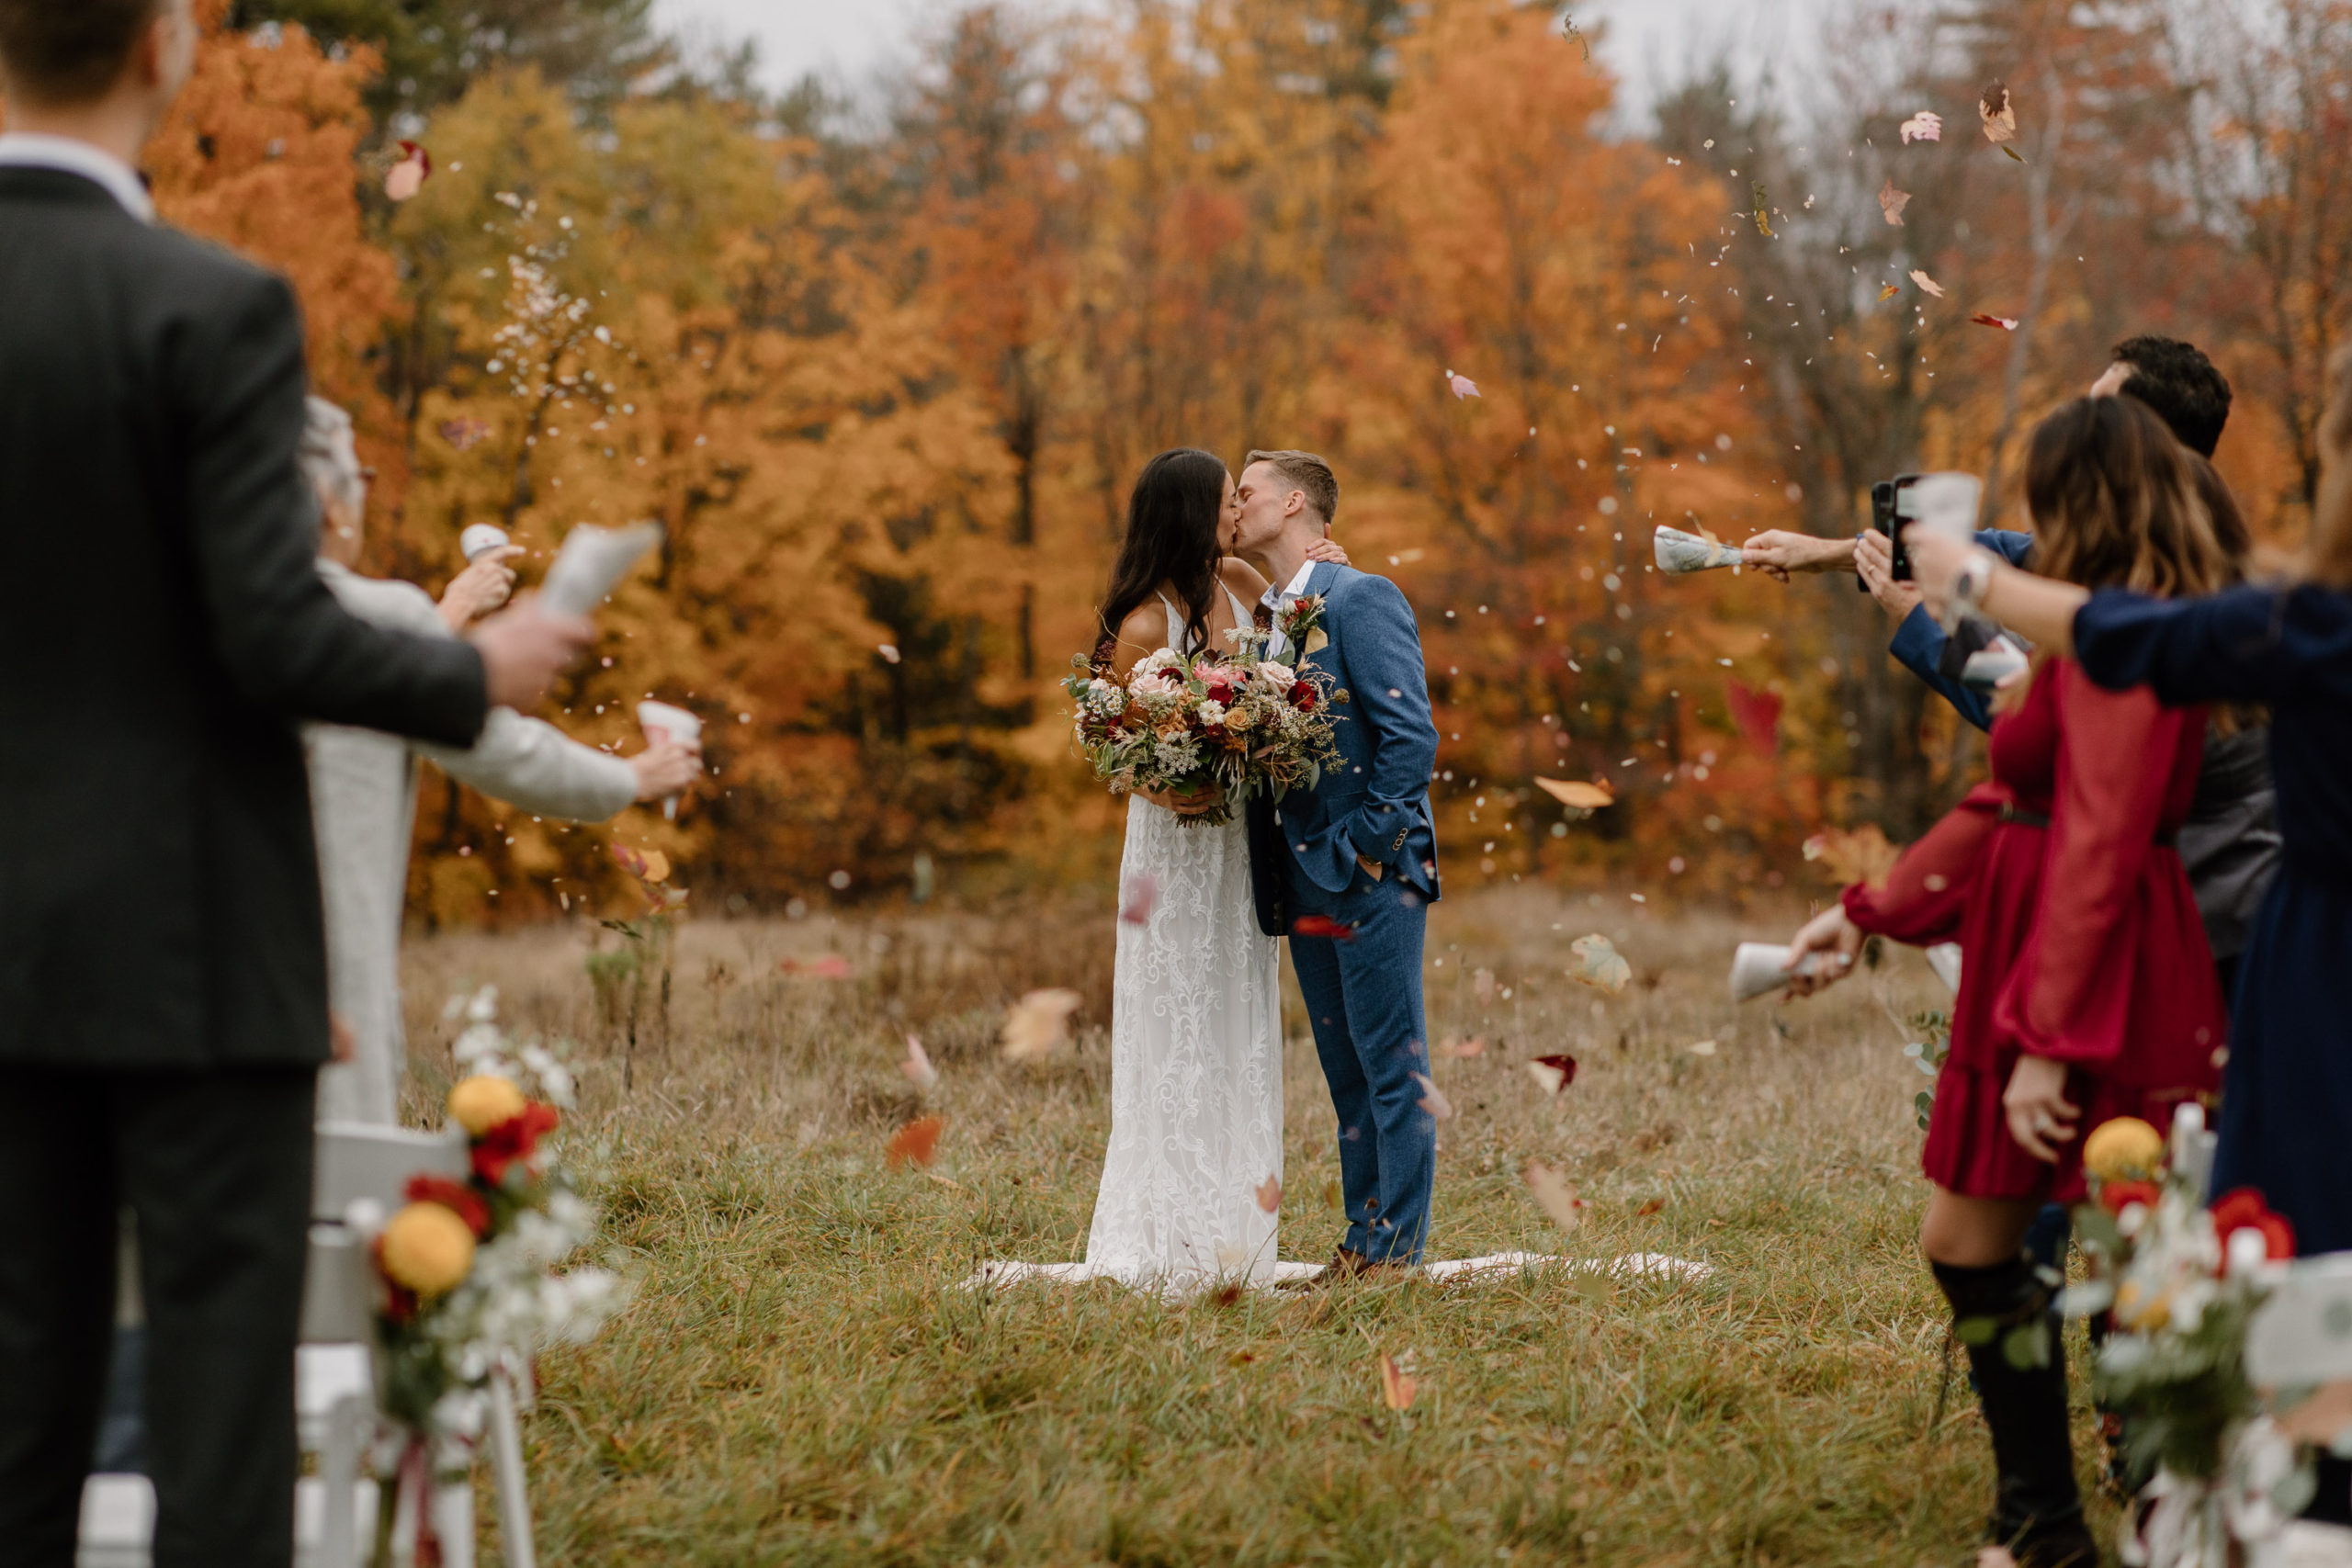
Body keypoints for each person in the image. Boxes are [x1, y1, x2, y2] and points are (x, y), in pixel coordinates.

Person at [0, 4, 590, 1563]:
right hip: (195, 959)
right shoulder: (212, 308)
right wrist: (478, 668)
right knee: (214, 1436)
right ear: (161, 53)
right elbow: (269, 628)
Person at [1782, 395, 2233, 1568]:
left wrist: (2051, 1036)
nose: (2026, 517)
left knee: (2139, 1258)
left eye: (2043, 494)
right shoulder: (2084, 641)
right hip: (2026, 957)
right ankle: (2041, 1517)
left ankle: (2175, 1503)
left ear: (2087, 501)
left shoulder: (2138, 640)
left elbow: (2099, 837)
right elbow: (2006, 801)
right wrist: (1863, 912)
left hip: (2107, 967)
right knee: (1968, 1239)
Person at [1906, 344, 2352, 1264]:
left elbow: (2092, 762)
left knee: (2260, 1240)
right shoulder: (2272, 605)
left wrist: (1960, 586)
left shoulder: (2299, 621)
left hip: (2260, 944)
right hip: (2261, 938)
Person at [300, 397, 702, 1124]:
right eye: (359, 473)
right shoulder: (371, 616)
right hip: (322, 993)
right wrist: (635, 777)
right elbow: (505, 751)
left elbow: (365, 672)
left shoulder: (178, 612)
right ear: (331, 501)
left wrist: (443, 617)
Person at [1230, 449, 1444, 1280]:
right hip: (1301, 876)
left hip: (1370, 872)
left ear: (1291, 503)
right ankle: (1362, 1242)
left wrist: (1367, 845)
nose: (1236, 508)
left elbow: (1411, 737)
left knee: (1393, 1065)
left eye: (1245, 495)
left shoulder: (1364, 597)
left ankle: (1398, 1252)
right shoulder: (1269, 621)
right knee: (1346, 1071)